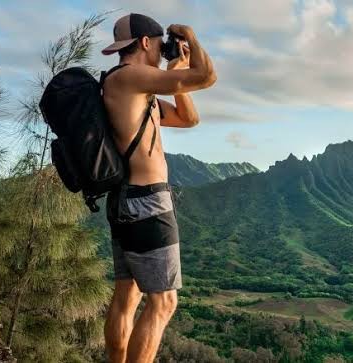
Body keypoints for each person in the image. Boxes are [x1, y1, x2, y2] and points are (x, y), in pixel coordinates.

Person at [99, 13, 216, 363]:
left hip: (125, 201)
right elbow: (206, 77)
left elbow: (188, 119)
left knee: (127, 296)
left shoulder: (128, 85)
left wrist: (174, 69)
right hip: (147, 203)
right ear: (147, 43)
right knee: (164, 303)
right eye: (158, 45)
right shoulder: (132, 77)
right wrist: (192, 40)